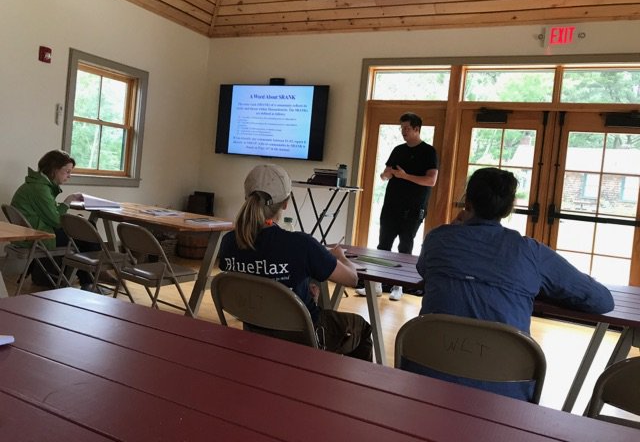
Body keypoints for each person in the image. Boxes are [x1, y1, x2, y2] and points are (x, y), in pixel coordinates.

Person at [413, 167, 614, 401]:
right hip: (504, 391)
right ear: (509, 208)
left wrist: (455, 228)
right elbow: (602, 300)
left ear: (467, 203)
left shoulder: (438, 239)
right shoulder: (530, 252)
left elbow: (424, 269)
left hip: (426, 376)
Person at [218, 164, 373, 361]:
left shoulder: (229, 242)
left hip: (253, 330)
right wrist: (340, 256)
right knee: (362, 328)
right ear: (285, 203)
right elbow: (351, 278)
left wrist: (303, 295)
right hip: (303, 334)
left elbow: (256, 283)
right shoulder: (302, 244)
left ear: (247, 197)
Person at [356, 112, 438, 300]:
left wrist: (405, 176)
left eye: (407, 129)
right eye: (402, 128)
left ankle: (398, 286)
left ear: (417, 129)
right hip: (391, 205)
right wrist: (387, 174)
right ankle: (376, 285)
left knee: (405, 247)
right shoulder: (398, 150)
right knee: (383, 245)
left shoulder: (428, 152)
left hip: (413, 209)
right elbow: (384, 176)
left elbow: (431, 180)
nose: (404, 132)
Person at [10, 150, 95, 289]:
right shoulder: (41, 189)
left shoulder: (35, 184)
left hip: (32, 232)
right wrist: (68, 203)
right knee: (87, 229)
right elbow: (55, 220)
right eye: (67, 171)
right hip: (39, 237)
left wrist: (68, 207)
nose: (69, 176)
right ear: (54, 169)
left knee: (84, 227)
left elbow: (51, 215)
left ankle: (89, 278)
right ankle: (91, 279)